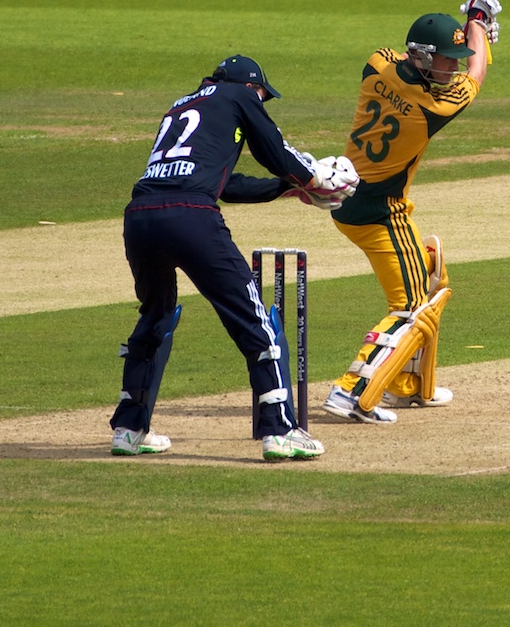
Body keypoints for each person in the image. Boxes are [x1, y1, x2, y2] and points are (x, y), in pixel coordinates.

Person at [112, 55, 357, 462]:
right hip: (191, 217)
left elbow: (225, 184)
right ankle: (280, 433)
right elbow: (276, 150)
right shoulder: (238, 96)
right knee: (254, 318)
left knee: (155, 316)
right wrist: (315, 178)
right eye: (262, 94)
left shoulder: (182, 104)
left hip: (140, 218)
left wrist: (288, 190)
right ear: (250, 87)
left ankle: (129, 428)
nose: (262, 101)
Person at [321, 0, 502, 425]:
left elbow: (451, 60)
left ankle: (405, 387)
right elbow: (477, 72)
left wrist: (473, 29)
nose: (454, 66)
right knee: (412, 308)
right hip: (381, 211)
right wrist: (479, 19)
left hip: (345, 197)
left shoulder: (376, 64)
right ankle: (352, 391)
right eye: (446, 60)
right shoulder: (434, 106)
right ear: (423, 58)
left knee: (431, 276)